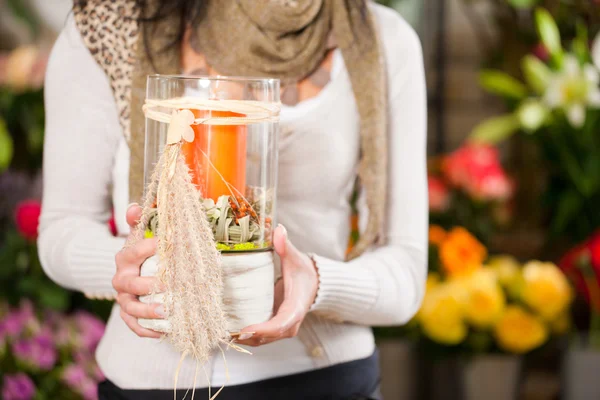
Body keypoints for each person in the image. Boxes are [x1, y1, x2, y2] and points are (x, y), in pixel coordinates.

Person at [39, 0, 428, 399]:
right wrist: (140, 267)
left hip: (325, 379)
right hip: (154, 383)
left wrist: (317, 282)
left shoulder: (381, 39)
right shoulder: (113, 25)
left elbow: (406, 272)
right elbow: (62, 231)